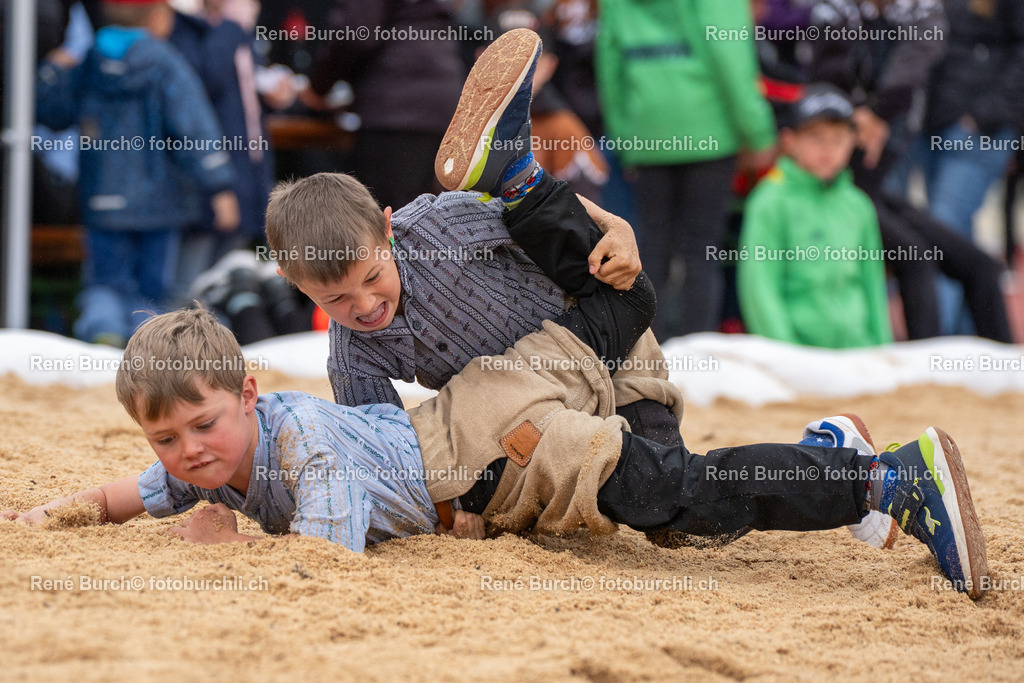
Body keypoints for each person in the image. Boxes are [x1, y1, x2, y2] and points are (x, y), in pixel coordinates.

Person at [1, 280, 989, 598]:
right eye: (169, 436)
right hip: (478, 452)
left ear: (251, 393)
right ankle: (824, 448)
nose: (188, 453)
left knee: (670, 494)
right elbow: (143, 486)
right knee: (675, 524)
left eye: (202, 425)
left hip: (491, 455)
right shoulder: (208, 451)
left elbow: (319, 560)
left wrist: (227, 541)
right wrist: (54, 511)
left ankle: (883, 476)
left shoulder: (298, 447)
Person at [35, 0, 240, 347]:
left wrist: (50, 73)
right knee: (154, 288)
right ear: (158, 17)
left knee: (104, 281)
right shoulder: (165, 62)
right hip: (159, 203)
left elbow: (53, 114)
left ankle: (103, 336)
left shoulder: (88, 62)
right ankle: (146, 351)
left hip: (101, 200)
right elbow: (194, 127)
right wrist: (220, 186)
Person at [595, 0, 777, 339]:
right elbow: (730, 57)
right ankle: (699, 354)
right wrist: (757, 131)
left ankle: (647, 350)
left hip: (647, 130)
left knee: (651, 246)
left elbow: (609, 61)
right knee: (701, 251)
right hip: (708, 130)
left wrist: (626, 139)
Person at [738, 84, 893, 348]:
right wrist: (788, 354)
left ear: (852, 143)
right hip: (798, 359)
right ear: (789, 141)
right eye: (816, 137)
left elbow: (873, 286)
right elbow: (760, 289)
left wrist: (882, 350)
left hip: (858, 354)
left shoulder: (858, 206)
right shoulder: (769, 203)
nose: (828, 149)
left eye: (838, 139)